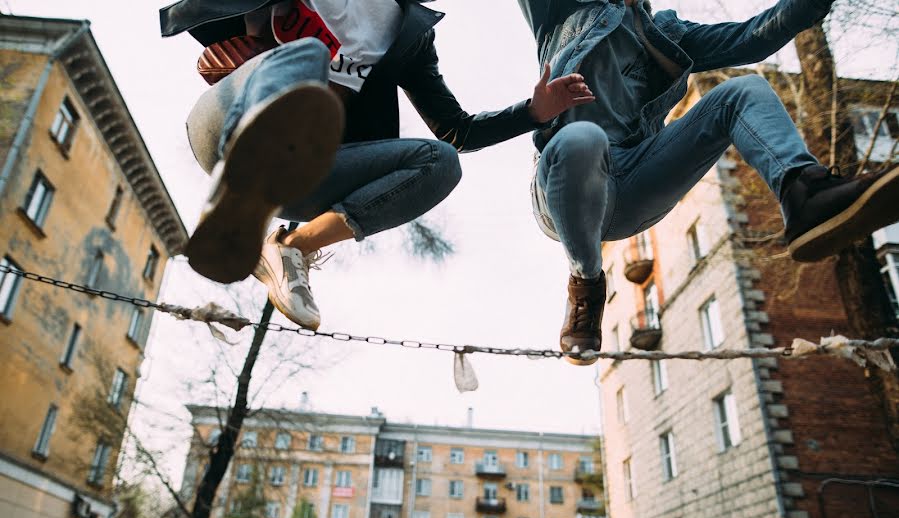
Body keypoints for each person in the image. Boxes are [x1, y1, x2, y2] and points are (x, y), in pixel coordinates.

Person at [159, 0, 594, 330]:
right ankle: (236, 185)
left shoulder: (408, 34)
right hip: (224, 120)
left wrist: (533, 112)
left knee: (440, 163)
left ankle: (294, 246)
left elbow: (456, 132)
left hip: (302, 172)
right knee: (307, 56)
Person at [515, 0, 899, 364]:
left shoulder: (667, 33)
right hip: (565, 187)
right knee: (584, 138)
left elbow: (753, 37)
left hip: (636, 182)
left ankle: (804, 193)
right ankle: (586, 281)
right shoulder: (563, 10)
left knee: (744, 90)